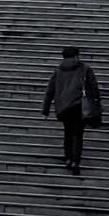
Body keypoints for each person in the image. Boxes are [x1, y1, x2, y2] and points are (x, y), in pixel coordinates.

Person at [42, 44, 102, 175]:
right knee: (77, 135)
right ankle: (75, 162)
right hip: (79, 106)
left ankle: (68, 159)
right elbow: (94, 88)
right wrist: (96, 104)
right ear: (76, 55)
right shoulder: (85, 69)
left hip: (63, 107)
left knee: (67, 133)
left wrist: (45, 110)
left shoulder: (58, 71)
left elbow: (50, 91)